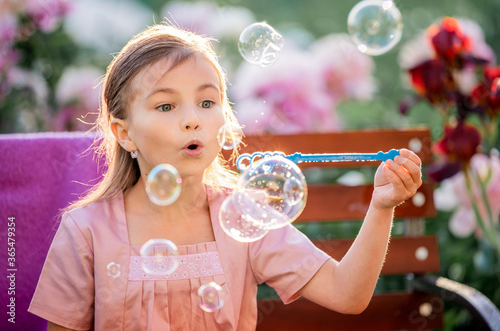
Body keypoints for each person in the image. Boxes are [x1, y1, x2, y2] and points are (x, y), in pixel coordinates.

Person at [29, 23, 423, 331]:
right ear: (123, 132)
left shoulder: (244, 214)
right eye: (166, 105)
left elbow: (346, 294)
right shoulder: (86, 231)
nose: (192, 120)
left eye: (207, 101)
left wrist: (382, 205)